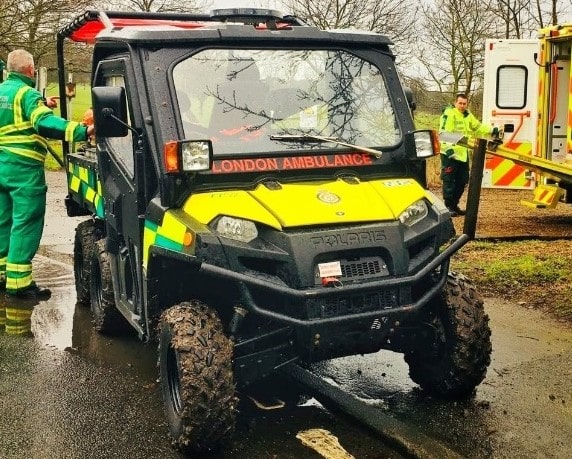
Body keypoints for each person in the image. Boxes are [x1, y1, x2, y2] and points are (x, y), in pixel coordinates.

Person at [0, 49, 94, 300]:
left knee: (3, 220)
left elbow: (14, 115)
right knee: (25, 222)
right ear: (30, 70)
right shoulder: (26, 94)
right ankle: (19, 284)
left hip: (1, 168)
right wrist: (83, 131)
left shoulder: (3, 91)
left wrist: (42, 103)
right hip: (22, 170)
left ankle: (2, 274)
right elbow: (44, 124)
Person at [439, 93, 497, 217]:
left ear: (467, 104)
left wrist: (492, 130)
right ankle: (448, 206)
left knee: (462, 180)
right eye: (460, 103)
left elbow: (478, 127)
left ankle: (454, 205)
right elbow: (443, 133)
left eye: (464, 103)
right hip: (450, 153)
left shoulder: (467, 115)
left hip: (462, 154)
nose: (462, 106)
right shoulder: (449, 114)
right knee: (449, 181)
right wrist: (448, 149)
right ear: (455, 103)